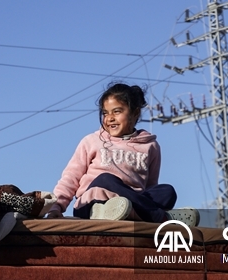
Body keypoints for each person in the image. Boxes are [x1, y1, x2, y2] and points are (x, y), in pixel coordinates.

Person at [48, 83, 197, 225]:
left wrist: (140, 200)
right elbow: (70, 178)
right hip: (91, 203)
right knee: (106, 179)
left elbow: (150, 186)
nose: (110, 118)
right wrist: (56, 207)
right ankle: (160, 217)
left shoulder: (151, 146)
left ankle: (124, 212)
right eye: (105, 113)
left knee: (167, 191)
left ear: (135, 113)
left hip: (132, 203)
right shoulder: (91, 141)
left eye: (117, 111)